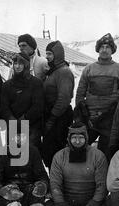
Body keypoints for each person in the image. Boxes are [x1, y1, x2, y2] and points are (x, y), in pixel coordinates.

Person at [43, 122, 111, 206]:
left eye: (81, 137)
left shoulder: (98, 156)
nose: (78, 141)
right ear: (69, 139)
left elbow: (102, 186)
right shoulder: (59, 156)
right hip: (66, 202)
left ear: (86, 138)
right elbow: (55, 185)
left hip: (90, 202)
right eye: (74, 137)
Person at [75, 33, 119, 157]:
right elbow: (80, 93)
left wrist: (118, 113)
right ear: (98, 49)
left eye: (108, 47)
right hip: (90, 120)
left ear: (112, 50)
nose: (104, 50)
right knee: (80, 149)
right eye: (102, 47)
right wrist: (82, 114)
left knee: (106, 153)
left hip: (110, 120)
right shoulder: (89, 69)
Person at [42, 40, 75, 168]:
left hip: (59, 117)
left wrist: (52, 118)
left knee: (56, 151)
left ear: (58, 54)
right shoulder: (54, 71)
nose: (47, 56)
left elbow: (64, 98)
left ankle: (58, 183)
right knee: (50, 152)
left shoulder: (63, 72)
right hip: (53, 115)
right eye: (46, 54)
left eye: (50, 53)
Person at [1, 52, 44, 148]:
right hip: (12, 127)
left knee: (30, 156)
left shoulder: (36, 83)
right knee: (13, 157)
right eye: (15, 63)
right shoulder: (7, 85)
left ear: (26, 65)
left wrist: (24, 119)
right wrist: (11, 119)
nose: (17, 66)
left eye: (20, 64)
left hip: (31, 127)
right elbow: (4, 106)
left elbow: (38, 106)